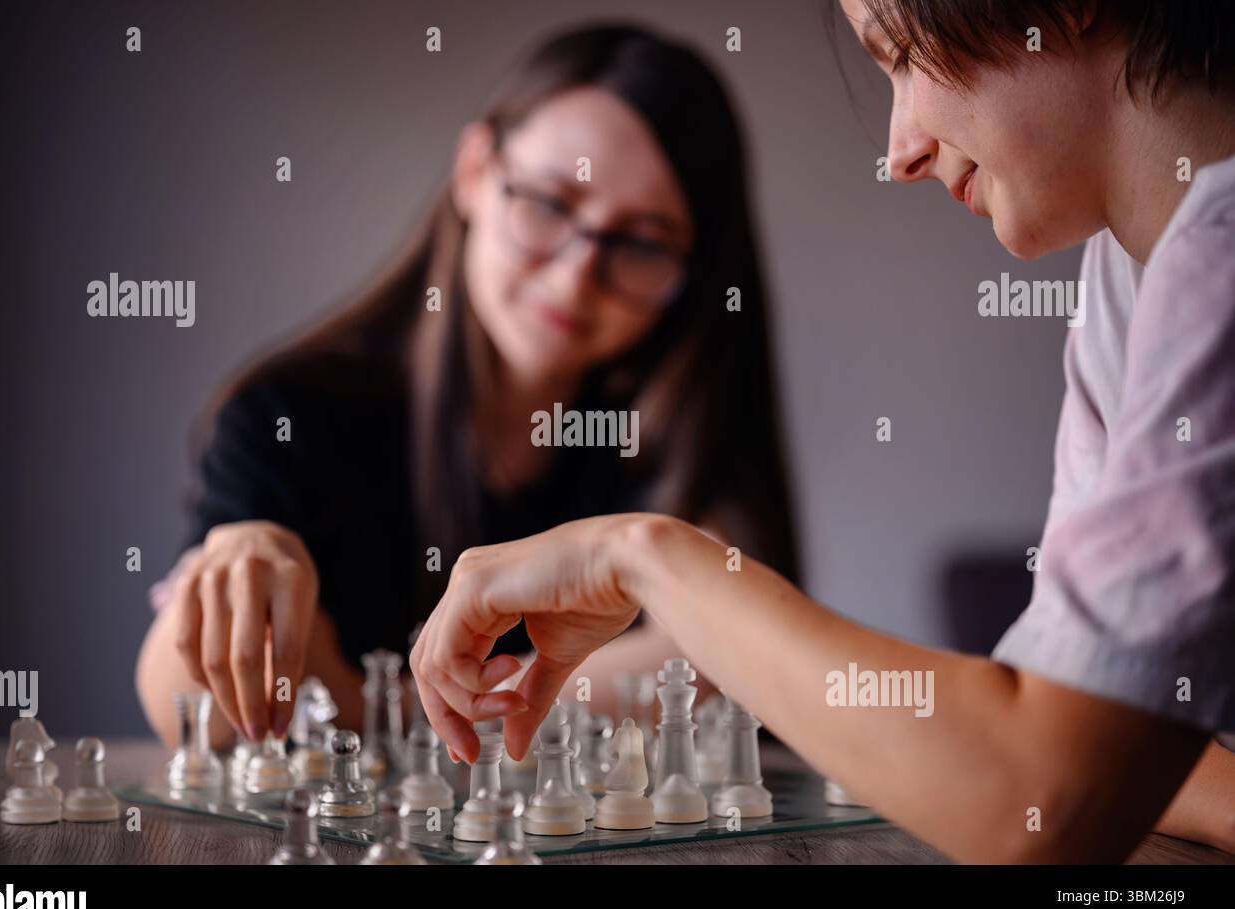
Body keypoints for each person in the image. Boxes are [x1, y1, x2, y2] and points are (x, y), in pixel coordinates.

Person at [410, 0, 1235, 861]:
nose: (900, 149)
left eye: (907, 53)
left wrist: (641, 557)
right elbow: (1062, 745)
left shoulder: (1216, 267)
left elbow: (1038, 792)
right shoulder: (1129, 276)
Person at [134, 24, 799, 749]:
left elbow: (732, 657)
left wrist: (378, 711)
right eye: (550, 204)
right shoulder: (289, 416)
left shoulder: (675, 430)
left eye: (640, 242)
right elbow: (193, 710)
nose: (577, 274)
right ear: (477, 171)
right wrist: (239, 561)